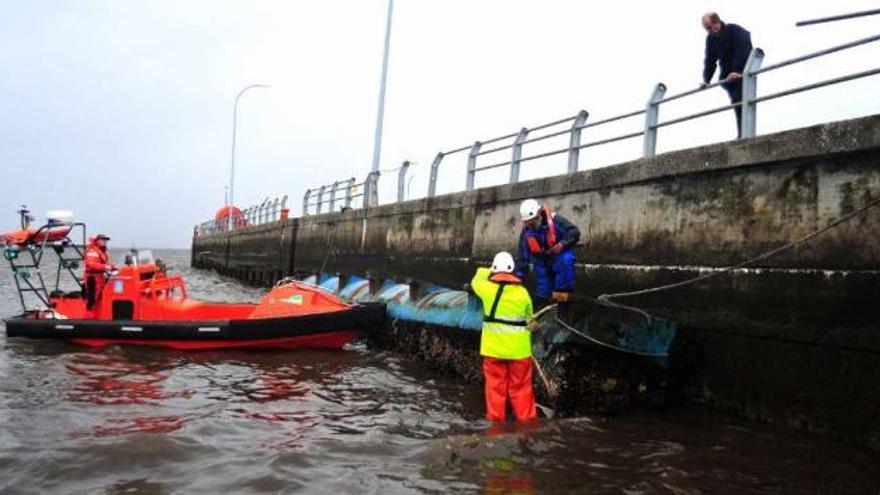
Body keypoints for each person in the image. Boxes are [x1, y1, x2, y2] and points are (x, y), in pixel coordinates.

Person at [470, 251, 537, 422]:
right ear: (513, 270)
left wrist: (490, 270)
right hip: (519, 351)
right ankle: (527, 425)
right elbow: (530, 319)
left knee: (495, 387)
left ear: (494, 269)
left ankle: (496, 424)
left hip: (494, 350)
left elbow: (477, 276)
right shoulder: (523, 293)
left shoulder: (486, 289)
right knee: (521, 388)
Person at [515, 199, 580, 308]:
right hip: (540, 262)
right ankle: (542, 305)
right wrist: (518, 277)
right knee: (542, 292)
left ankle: (563, 298)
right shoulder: (526, 233)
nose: (531, 225)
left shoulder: (556, 220)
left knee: (566, 260)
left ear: (539, 214)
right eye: (527, 222)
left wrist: (561, 245)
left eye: (533, 221)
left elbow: (574, 233)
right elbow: (522, 256)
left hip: (558, 257)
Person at [700, 12, 753, 138]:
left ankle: (745, 134)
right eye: (706, 29)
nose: (708, 31)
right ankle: (742, 134)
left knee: (743, 101)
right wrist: (706, 80)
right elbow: (710, 61)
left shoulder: (734, 30)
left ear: (716, 24)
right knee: (737, 102)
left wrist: (737, 70)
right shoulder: (711, 39)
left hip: (742, 73)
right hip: (728, 77)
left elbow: (743, 49)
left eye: (708, 27)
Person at [83, 234, 116, 311]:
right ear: (97, 241)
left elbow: (104, 263)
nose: (105, 242)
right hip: (92, 278)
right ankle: (89, 314)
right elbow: (92, 264)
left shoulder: (101, 251)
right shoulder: (92, 251)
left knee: (101, 294)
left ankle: (100, 311)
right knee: (93, 297)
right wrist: (106, 267)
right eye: (103, 240)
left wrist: (113, 267)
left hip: (100, 277)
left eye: (106, 240)